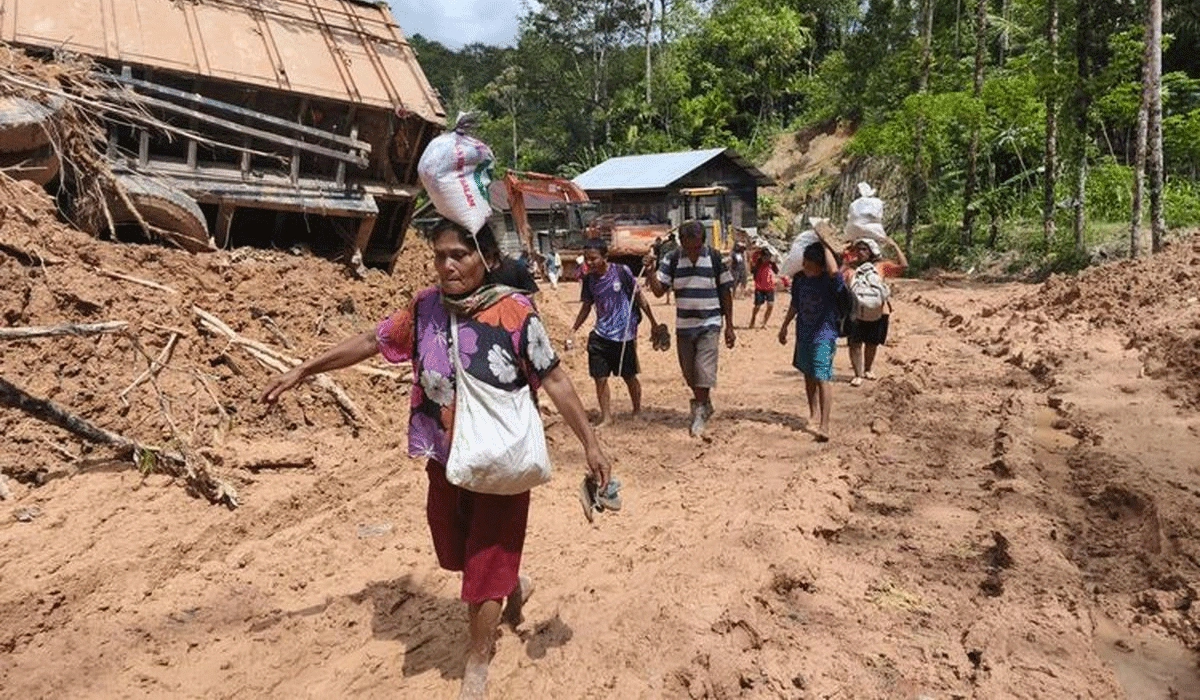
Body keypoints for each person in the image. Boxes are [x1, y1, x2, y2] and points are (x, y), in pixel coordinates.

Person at [260, 220, 610, 700]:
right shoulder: (425, 308)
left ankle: (477, 662)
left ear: (485, 257)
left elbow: (554, 379)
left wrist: (590, 443)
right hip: (444, 458)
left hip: (499, 461)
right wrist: (305, 368)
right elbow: (371, 339)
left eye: (458, 255)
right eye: (440, 255)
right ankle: (513, 583)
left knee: (484, 562)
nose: (447, 265)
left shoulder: (514, 312)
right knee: (455, 552)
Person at [643, 220, 736, 437]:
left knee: (704, 370)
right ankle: (704, 403)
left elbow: (725, 292)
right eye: (688, 247)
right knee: (689, 373)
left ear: (702, 242)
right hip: (684, 325)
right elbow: (658, 291)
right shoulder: (673, 259)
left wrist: (729, 325)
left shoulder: (714, 258)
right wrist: (650, 271)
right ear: (681, 243)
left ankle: (699, 412)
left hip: (710, 324)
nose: (693, 251)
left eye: (696, 247)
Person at [570, 239, 661, 427]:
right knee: (600, 378)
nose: (590, 263)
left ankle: (637, 411)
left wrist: (653, 323)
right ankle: (606, 416)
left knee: (629, 376)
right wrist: (573, 329)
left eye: (593, 259)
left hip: (624, 335)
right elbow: (587, 306)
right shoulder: (589, 280)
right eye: (587, 259)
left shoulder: (622, 272)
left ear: (604, 257)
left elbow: (640, 298)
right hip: (600, 334)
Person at [778, 233, 844, 442]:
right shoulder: (799, 280)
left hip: (824, 334)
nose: (805, 266)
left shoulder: (831, 281)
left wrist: (825, 243)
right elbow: (795, 305)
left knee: (823, 376)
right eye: (804, 262)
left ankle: (824, 425)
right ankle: (813, 413)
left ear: (821, 266)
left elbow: (834, 270)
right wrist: (784, 326)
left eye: (810, 264)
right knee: (808, 374)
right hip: (804, 333)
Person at [842, 236, 907, 387]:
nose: (860, 252)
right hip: (855, 312)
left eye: (864, 249)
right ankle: (857, 374)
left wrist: (895, 245)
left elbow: (903, 266)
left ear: (871, 252)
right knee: (855, 343)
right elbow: (835, 277)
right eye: (857, 249)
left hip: (879, 311)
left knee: (872, 342)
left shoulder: (881, 267)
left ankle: (868, 369)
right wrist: (844, 255)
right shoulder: (850, 269)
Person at [748, 249, 779, 329]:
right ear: (761, 257)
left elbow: (776, 271)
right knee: (757, 306)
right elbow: (752, 270)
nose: (766, 259)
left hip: (769, 287)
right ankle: (753, 319)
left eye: (768, 257)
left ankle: (764, 323)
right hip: (759, 288)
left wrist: (774, 262)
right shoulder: (758, 263)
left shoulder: (771, 264)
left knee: (770, 305)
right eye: (765, 257)